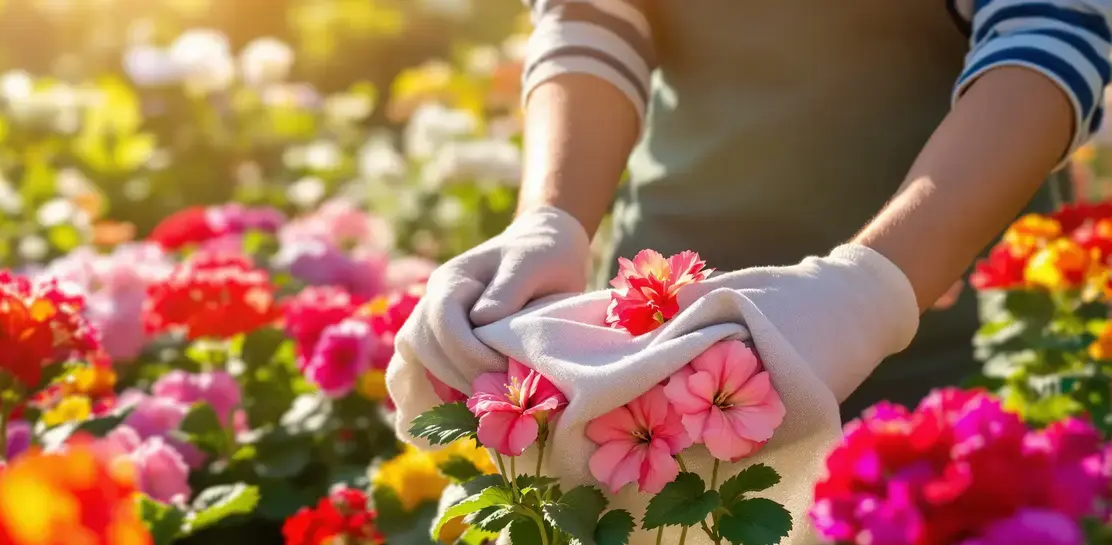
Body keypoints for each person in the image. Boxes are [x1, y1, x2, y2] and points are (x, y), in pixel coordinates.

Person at [404, 0, 1111, 421]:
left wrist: (873, 289)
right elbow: (595, 15)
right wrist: (552, 218)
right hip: (662, 331)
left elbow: (1049, 32)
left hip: (948, 339)